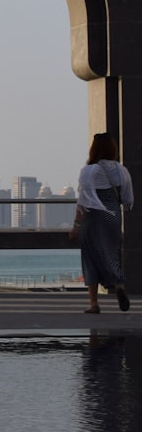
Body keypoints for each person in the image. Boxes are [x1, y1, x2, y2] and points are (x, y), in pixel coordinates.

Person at [73, 132, 134, 313]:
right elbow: (127, 199)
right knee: (112, 254)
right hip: (113, 216)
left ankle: (94, 304)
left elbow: (83, 201)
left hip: (93, 217)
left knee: (90, 256)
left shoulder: (89, 171)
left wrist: (76, 226)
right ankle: (119, 286)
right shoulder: (121, 170)